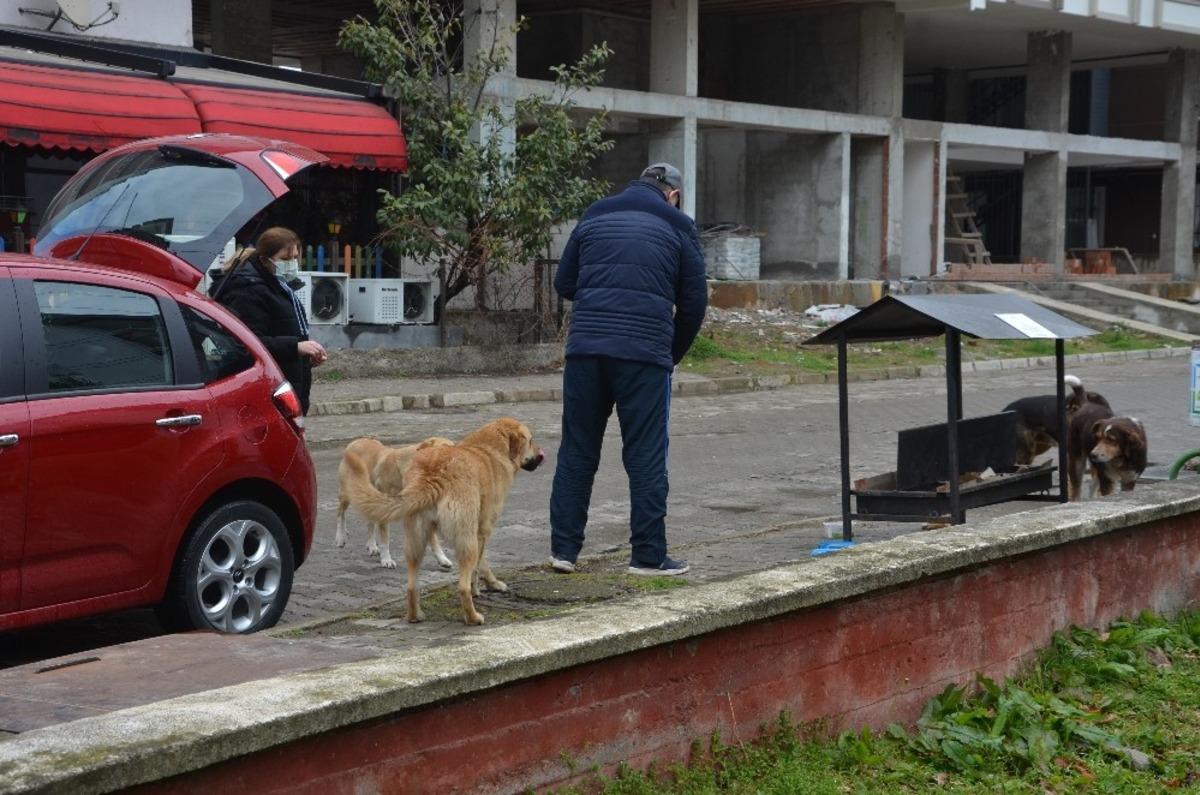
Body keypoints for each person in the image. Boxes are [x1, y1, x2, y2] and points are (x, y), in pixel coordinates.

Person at [548, 163, 708, 576]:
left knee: (577, 449)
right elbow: (694, 303)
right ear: (672, 193)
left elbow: (565, 283)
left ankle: (563, 552)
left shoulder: (596, 213)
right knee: (646, 455)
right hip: (644, 355)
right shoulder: (678, 225)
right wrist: (670, 354)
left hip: (585, 351)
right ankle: (648, 556)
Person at [210, 226, 327, 415]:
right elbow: (246, 343)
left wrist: (306, 357)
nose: (292, 264)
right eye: (285, 259)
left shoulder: (282, 287)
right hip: (266, 391)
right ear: (265, 260)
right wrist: (296, 347)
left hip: (287, 388)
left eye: (295, 257)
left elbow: (287, 333)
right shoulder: (248, 290)